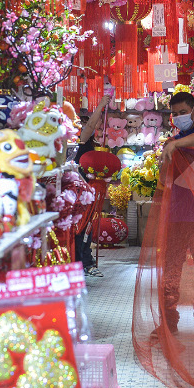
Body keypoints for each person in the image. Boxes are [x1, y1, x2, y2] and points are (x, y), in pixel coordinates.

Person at [153, 91, 194, 339]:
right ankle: (168, 322)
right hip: (176, 214)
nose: (179, 117)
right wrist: (165, 156)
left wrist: (175, 144)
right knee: (171, 271)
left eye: (183, 112)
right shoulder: (172, 143)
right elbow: (163, 180)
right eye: (174, 114)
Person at [72, 91, 112, 277]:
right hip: (76, 191)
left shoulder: (90, 141)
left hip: (89, 190)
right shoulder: (79, 139)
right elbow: (89, 125)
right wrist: (101, 105)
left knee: (87, 228)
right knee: (80, 229)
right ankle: (82, 263)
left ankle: (86, 262)